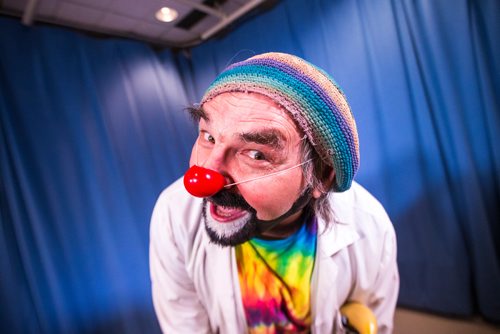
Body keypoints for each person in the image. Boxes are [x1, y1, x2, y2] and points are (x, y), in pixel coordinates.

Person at [150, 52, 399, 333]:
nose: (205, 177)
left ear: (322, 177)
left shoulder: (371, 227)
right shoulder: (173, 214)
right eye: (208, 137)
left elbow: (377, 322)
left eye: (256, 154)